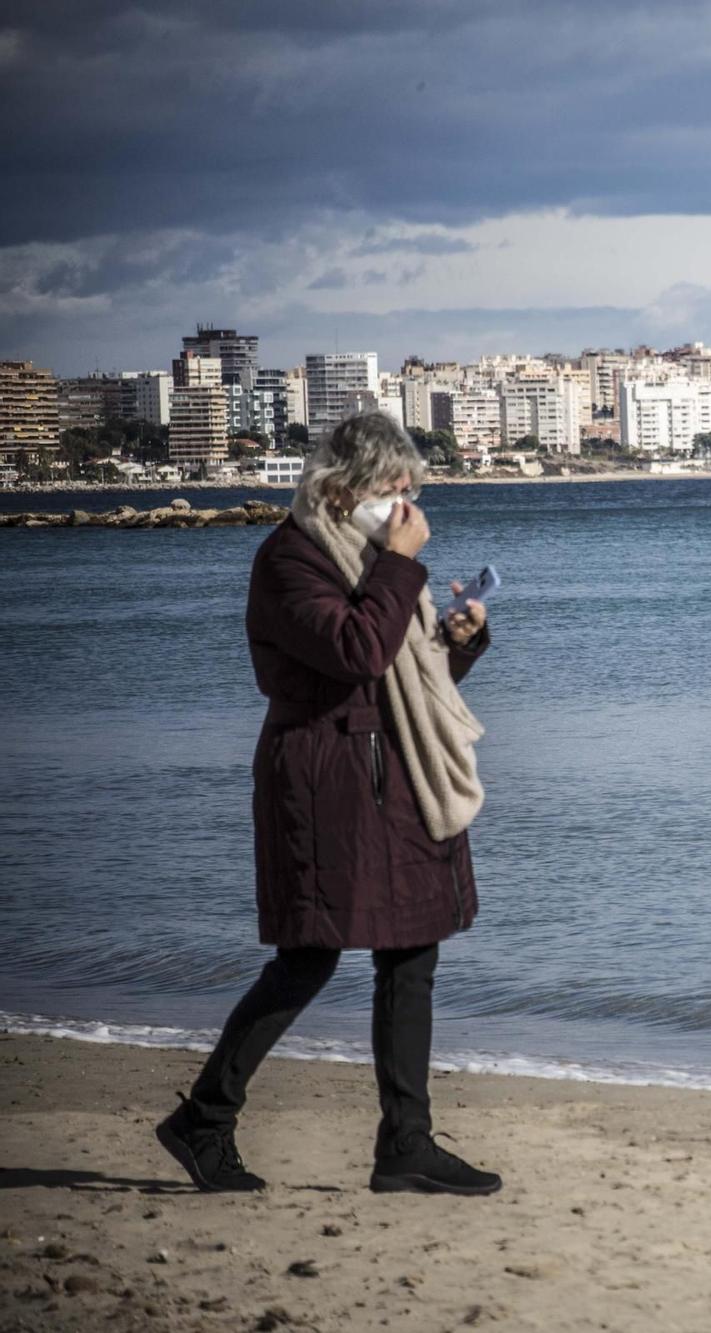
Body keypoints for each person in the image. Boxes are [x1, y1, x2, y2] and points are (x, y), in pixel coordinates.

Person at [155, 411, 502, 1197]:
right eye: (393, 484)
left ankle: (406, 1141)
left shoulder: (376, 556)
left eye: (412, 483)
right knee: (308, 954)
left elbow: (406, 681)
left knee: (413, 953)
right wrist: (404, 569)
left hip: (397, 776)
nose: (407, 499)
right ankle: (204, 1119)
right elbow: (356, 651)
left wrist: (459, 637)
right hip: (326, 782)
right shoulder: (290, 560)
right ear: (344, 489)